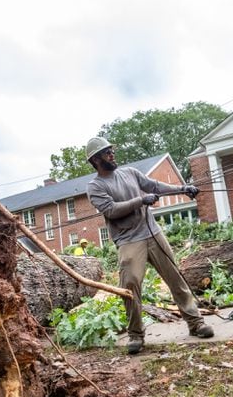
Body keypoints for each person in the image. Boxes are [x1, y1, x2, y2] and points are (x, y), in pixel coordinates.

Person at [85, 137, 214, 354]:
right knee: (130, 285)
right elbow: (111, 210)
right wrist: (141, 201)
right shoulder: (95, 186)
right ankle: (136, 335)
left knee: (175, 276)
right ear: (96, 159)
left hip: (153, 233)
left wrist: (182, 188)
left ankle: (196, 323)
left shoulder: (130, 173)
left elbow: (153, 185)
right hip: (128, 240)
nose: (112, 154)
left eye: (112, 150)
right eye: (107, 153)